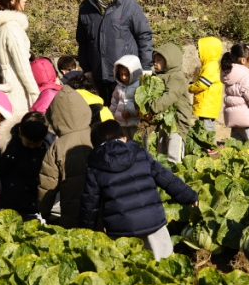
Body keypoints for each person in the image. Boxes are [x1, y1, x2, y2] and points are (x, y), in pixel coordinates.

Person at [79, 120, 198, 261]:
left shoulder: (95, 165)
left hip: (121, 228)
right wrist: (189, 196)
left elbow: (90, 204)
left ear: (95, 146)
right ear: (123, 137)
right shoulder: (140, 154)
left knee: (128, 267)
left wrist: (86, 231)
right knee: (164, 263)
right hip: (152, 221)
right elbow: (166, 178)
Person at [76, 0, 153, 106]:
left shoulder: (129, 5)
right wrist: (87, 69)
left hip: (126, 78)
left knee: (126, 120)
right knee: (104, 122)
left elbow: (144, 36)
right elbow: (83, 42)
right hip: (98, 78)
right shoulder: (85, 7)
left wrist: (146, 67)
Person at [0, 111, 54, 220]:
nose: (31, 147)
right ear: (20, 132)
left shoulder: (48, 147)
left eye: (36, 144)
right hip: (11, 196)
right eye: (28, 143)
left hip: (35, 199)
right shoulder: (9, 145)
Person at [38, 85, 93, 228]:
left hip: (72, 212)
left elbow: (47, 186)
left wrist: (41, 213)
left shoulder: (57, 147)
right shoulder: (96, 135)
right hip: (99, 207)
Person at [149, 43, 192, 164]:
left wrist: (153, 107)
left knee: (174, 153)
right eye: (154, 60)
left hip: (177, 122)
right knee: (161, 151)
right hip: (165, 122)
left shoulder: (176, 77)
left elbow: (170, 96)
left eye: (159, 60)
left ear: (170, 61)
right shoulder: (159, 76)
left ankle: (177, 177)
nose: (155, 63)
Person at [188, 37, 223, 154]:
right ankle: (208, 147)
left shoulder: (210, 66)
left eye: (201, 50)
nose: (198, 53)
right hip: (207, 103)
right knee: (206, 126)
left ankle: (211, 149)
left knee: (207, 127)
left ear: (208, 50)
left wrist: (190, 87)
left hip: (207, 103)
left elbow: (203, 84)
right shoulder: (209, 65)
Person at [109, 55, 142, 140]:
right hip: (121, 123)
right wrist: (111, 114)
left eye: (126, 75)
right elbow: (114, 101)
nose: (123, 77)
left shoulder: (140, 86)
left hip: (135, 123)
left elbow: (141, 103)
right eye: (121, 74)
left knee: (136, 143)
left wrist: (131, 112)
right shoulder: (119, 87)